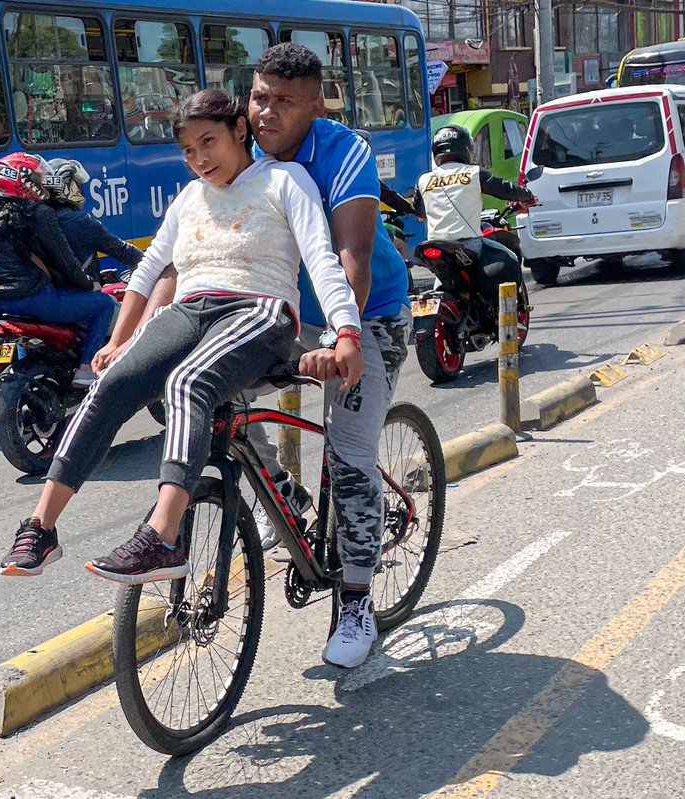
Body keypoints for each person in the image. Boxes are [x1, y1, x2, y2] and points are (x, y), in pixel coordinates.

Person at [0, 88, 364, 588]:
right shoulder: (189, 197)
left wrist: (346, 330)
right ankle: (41, 528)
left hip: (260, 311)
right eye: (189, 151)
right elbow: (149, 271)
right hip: (191, 311)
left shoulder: (284, 179)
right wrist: (120, 341)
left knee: (187, 383)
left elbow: (321, 258)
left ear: (240, 130)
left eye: (208, 142)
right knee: (111, 383)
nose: (199, 159)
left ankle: (164, 537)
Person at [139, 44, 415, 669]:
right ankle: (283, 497)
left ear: (316, 106)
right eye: (260, 97)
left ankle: (355, 601)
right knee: (206, 397)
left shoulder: (344, 154)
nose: (266, 112)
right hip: (280, 315)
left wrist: (338, 338)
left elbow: (353, 261)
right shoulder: (239, 154)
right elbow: (191, 253)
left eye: (285, 102)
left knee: (348, 456)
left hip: (364, 315)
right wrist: (150, 334)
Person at [0, 152, 115, 389]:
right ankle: (84, 369)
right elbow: (64, 261)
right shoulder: (40, 214)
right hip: (33, 299)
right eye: (39, 179)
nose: (44, 185)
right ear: (25, 182)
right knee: (103, 305)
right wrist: (89, 284)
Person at [414, 124, 535, 319]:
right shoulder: (473, 173)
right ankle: (505, 317)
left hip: (432, 245)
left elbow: (419, 212)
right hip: (469, 244)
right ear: (466, 148)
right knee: (510, 257)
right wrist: (527, 195)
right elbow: (506, 189)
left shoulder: (423, 180)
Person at [41, 158, 144, 282]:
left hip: (48, 292)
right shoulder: (80, 222)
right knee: (113, 301)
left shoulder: (37, 216)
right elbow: (124, 252)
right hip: (77, 294)